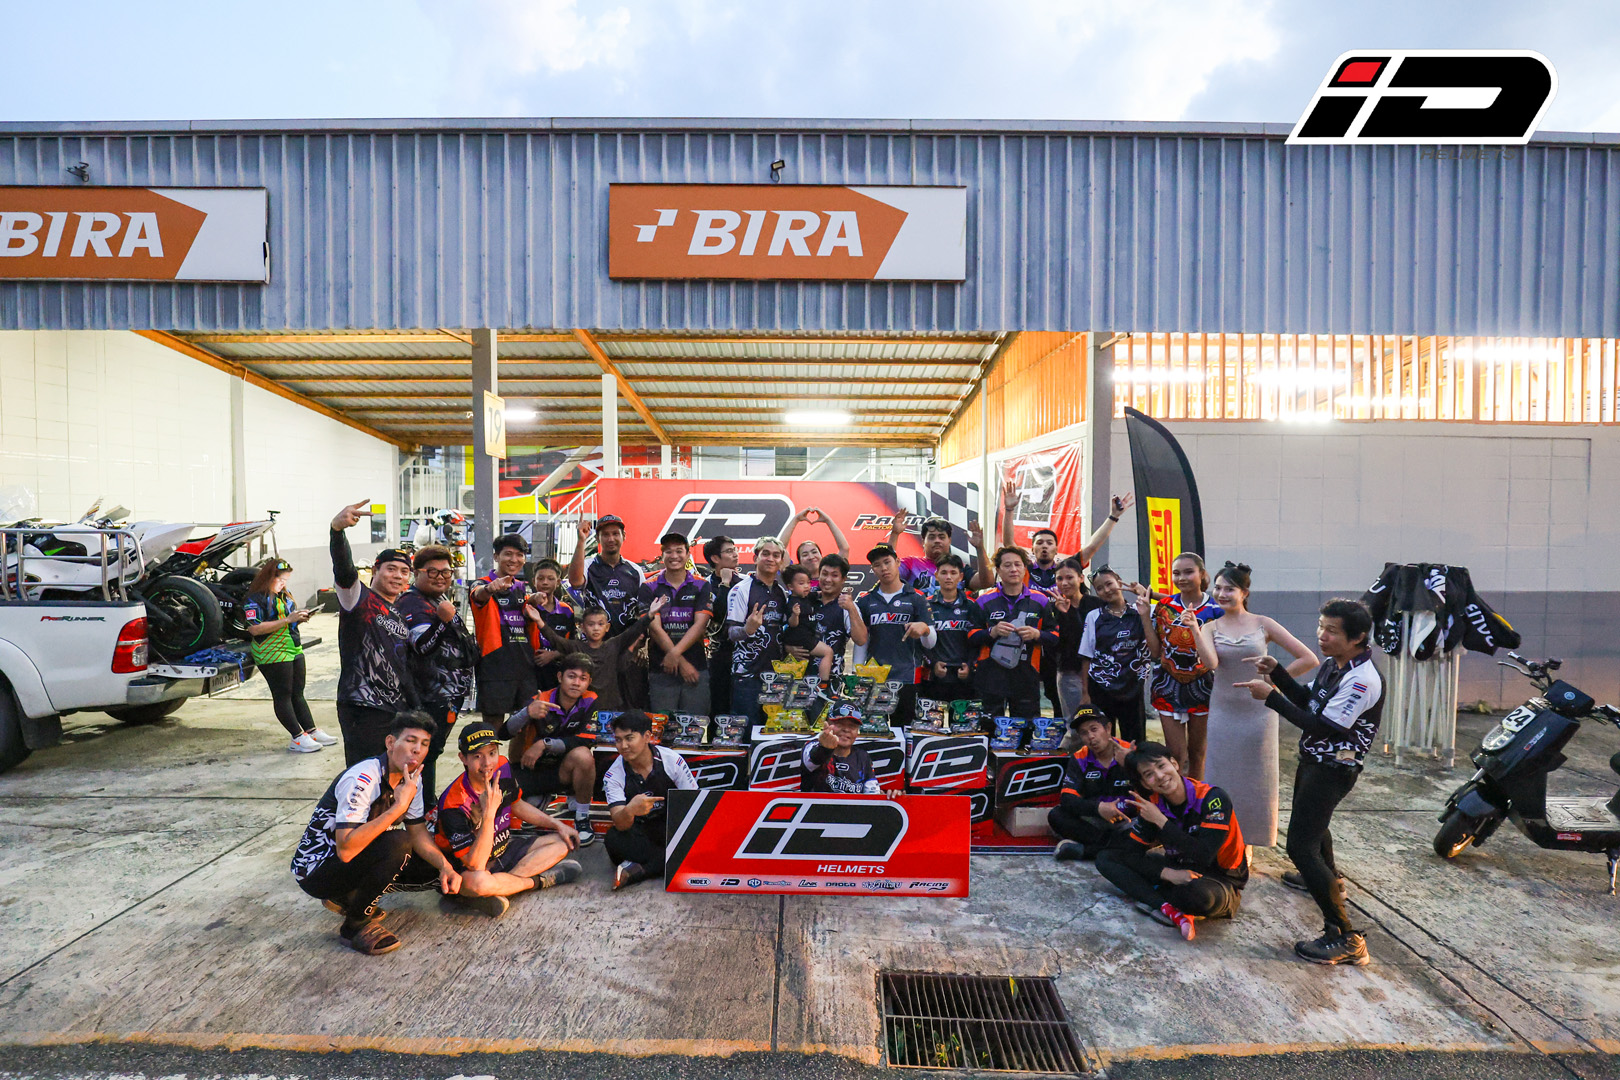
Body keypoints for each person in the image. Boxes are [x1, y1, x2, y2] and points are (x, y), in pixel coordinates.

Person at [1234, 598, 1384, 967]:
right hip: (1314, 762)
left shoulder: (1361, 680)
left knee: (1301, 847)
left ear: (1358, 637)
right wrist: (1278, 674)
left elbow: (1322, 727)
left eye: (1331, 631)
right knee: (1315, 827)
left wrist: (1271, 698)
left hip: (1333, 769)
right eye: (1321, 627)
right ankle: (1329, 880)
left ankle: (1345, 936)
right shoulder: (1336, 664)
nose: (1321, 635)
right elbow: (1309, 701)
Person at [291, 712, 460, 956]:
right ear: (390, 742)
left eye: (424, 744)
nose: (417, 750)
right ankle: (355, 925)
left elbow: (418, 833)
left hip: (354, 859)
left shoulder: (412, 779)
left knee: (436, 863)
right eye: (410, 741)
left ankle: (350, 896)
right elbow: (346, 850)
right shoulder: (363, 778)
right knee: (398, 843)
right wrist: (398, 808)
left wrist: (445, 867)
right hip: (317, 870)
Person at [1198, 561, 1318, 849]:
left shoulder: (1263, 623)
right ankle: (1222, 834)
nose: (1221, 594)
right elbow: (1210, 663)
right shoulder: (1209, 627)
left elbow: (1309, 658)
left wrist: (1274, 680)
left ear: (1245, 593)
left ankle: (1250, 840)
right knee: (1221, 774)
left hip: (1258, 714)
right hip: (1223, 711)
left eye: (1229, 589)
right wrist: (1193, 628)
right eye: (1217, 588)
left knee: (1255, 778)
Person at [1095, 741, 1247, 943]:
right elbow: (1131, 853)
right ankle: (1168, 908)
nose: (1159, 776)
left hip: (1219, 878)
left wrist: (1161, 821)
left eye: (1161, 766)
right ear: (1146, 784)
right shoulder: (1153, 804)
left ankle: (1156, 898)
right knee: (1106, 858)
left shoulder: (1213, 798)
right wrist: (1167, 873)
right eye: (1149, 774)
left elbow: (1204, 855)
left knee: (1199, 896)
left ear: (1174, 764)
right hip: (1178, 869)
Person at [430, 723, 581, 917]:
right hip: (467, 871)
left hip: (501, 852)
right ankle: (536, 882)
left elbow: (517, 804)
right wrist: (489, 813)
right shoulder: (453, 803)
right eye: (477, 756)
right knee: (479, 883)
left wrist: (558, 825)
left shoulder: (502, 766)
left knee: (564, 841)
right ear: (463, 758)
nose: (487, 763)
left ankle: (499, 888)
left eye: (492, 753)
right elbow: (475, 864)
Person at [329, 501, 419, 766]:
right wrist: (337, 532)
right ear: (375, 571)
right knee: (364, 773)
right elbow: (344, 569)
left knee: (390, 775)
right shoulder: (358, 599)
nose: (398, 576)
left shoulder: (399, 615)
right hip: (363, 706)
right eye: (391, 569)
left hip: (395, 709)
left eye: (404, 571)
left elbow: (402, 666)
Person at [396, 545, 478, 806]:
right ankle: (422, 807)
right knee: (424, 753)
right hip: (429, 696)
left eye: (446, 572)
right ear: (417, 573)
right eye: (433, 571)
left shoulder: (435, 599)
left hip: (447, 696)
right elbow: (421, 646)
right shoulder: (412, 602)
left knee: (430, 752)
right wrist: (442, 621)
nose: (441, 577)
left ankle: (424, 803)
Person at [1137, 552, 1223, 780]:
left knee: (1198, 753)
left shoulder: (1216, 609)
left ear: (1202, 574)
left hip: (1203, 685)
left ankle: (1195, 795)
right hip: (1167, 684)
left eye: (1188, 572)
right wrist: (1145, 616)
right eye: (1176, 573)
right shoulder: (1164, 606)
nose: (1182, 578)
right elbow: (1155, 652)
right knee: (1175, 755)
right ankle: (1175, 794)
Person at [505, 652, 602, 845]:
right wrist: (527, 713)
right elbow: (503, 733)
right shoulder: (540, 699)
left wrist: (545, 744)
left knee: (583, 755)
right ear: (560, 677)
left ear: (589, 682)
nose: (576, 683)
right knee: (504, 796)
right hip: (529, 769)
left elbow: (586, 740)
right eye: (571, 676)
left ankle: (582, 817)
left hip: (561, 773)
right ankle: (538, 797)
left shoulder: (591, 700)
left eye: (583, 679)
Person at [243, 557, 333, 753]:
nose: (283, 583)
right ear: (268, 577)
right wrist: (287, 620)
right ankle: (297, 737)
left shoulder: (284, 595)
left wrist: (299, 618)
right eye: (280, 579)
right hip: (271, 651)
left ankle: (310, 730)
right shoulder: (255, 599)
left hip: (293, 646)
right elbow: (255, 629)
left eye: (286, 580)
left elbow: (287, 620)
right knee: (282, 694)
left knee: (297, 692)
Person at [603, 709, 699, 890]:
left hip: (670, 828)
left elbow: (694, 805)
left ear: (647, 736)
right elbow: (620, 824)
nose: (623, 746)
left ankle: (640, 871)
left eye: (629, 738)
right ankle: (670, 862)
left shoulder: (673, 761)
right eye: (618, 740)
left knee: (695, 839)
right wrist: (630, 810)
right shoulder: (613, 774)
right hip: (640, 833)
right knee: (613, 839)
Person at [532, 598, 665, 712]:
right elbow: (555, 640)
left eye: (600, 624)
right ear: (583, 627)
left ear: (607, 627)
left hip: (611, 706)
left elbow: (633, 631)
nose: (596, 628)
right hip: (583, 707)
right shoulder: (575, 647)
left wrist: (650, 614)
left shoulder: (613, 644)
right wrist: (539, 621)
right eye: (591, 624)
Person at [854, 544, 936, 727]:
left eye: (887, 562)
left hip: (908, 677)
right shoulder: (866, 600)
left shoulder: (917, 598)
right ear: (873, 569)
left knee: (906, 731)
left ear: (898, 562)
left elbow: (931, 643)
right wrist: (857, 672)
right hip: (875, 679)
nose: (883, 568)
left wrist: (924, 629)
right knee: (875, 733)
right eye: (877, 565)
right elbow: (862, 641)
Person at [969, 546, 1056, 718]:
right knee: (988, 727)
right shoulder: (984, 600)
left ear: (1025, 568)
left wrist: (1037, 634)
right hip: (990, 676)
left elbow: (1055, 636)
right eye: (1007, 565)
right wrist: (992, 632)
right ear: (998, 570)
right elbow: (970, 636)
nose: (1013, 569)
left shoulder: (1040, 600)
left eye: (1018, 564)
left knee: (1026, 729)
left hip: (1026, 676)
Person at [637, 532, 714, 716]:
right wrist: (681, 662)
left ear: (687, 555)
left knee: (695, 727)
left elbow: (700, 626)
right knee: (662, 726)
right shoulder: (649, 587)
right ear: (662, 555)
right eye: (668, 551)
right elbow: (654, 628)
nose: (674, 556)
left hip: (696, 668)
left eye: (679, 551)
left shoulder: (701, 585)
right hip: (662, 669)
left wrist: (674, 655)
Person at [470, 534, 539, 732]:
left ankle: (517, 756)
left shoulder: (522, 587)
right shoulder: (481, 583)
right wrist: (490, 589)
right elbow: (478, 595)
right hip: (495, 667)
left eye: (519, 555)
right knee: (492, 726)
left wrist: (534, 602)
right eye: (508, 554)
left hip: (524, 666)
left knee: (524, 726)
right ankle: (491, 754)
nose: (514, 559)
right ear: (496, 556)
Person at [1049, 707, 1136, 861]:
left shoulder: (1131, 751)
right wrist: (1098, 808)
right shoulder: (1079, 758)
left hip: (1130, 819)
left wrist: (1131, 766)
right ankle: (1118, 848)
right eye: (1084, 733)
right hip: (1096, 822)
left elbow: (1154, 791)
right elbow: (1067, 799)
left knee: (1154, 824)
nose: (1091, 737)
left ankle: (1086, 851)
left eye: (1094, 729)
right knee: (1056, 815)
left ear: (1108, 728)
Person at [1077, 567, 1152, 744]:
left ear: (1119, 581)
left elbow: (1174, 605)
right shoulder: (1094, 617)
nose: (1106, 590)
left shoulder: (1141, 611)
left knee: (1135, 742)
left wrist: (1146, 593)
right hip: (1101, 688)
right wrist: (1085, 693)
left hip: (1133, 687)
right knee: (1103, 740)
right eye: (1099, 588)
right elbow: (1086, 656)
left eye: (1109, 584)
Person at [725, 536, 789, 723]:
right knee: (747, 732)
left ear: (781, 561)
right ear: (755, 558)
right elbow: (731, 633)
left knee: (772, 732)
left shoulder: (781, 592)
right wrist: (747, 629)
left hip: (776, 676)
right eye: (765, 554)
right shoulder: (741, 589)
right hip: (747, 676)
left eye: (776, 555)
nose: (771, 559)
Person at [919, 554, 986, 705]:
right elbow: (919, 642)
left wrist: (970, 665)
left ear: (960, 577)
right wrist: (933, 663)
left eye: (953, 573)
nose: (948, 577)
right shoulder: (925, 605)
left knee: (963, 719)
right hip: (935, 677)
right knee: (932, 719)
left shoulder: (972, 605)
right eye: (944, 573)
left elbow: (979, 639)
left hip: (965, 677)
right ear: (936, 576)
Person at [1049, 557, 1104, 721]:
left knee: (1100, 722)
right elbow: (1059, 643)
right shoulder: (1053, 609)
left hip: (1098, 673)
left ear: (1080, 578)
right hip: (1069, 673)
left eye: (1069, 577)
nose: (1064, 583)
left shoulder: (1096, 604)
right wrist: (1064, 614)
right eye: (1059, 579)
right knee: (1074, 722)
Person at [798, 552, 867, 681]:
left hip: (830, 682)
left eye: (834, 575)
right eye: (824, 574)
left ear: (843, 579)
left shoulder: (847, 606)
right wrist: (789, 647)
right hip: (798, 679)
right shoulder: (804, 598)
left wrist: (851, 609)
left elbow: (861, 640)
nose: (828, 579)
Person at [886, 509, 994, 592]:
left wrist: (980, 548)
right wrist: (894, 534)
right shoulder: (911, 563)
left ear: (949, 541)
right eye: (932, 537)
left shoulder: (959, 566)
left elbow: (987, 582)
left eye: (941, 537)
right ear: (923, 541)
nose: (937, 541)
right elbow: (888, 572)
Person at [567, 513, 643, 630]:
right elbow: (575, 582)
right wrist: (581, 541)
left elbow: (644, 607)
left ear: (624, 536)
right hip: (595, 639)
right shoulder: (587, 565)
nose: (611, 539)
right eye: (605, 535)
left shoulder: (635, 570)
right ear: (597, 538)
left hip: (627, 640)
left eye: (615, 534)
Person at [703, 535, 742, 716]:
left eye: (735, 550)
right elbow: (717, 616)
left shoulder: (744, 583)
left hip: (743, 654)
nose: (735, 554)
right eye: (729, 551)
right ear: (715, 558)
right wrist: (725, 584)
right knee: (719, 707)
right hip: (717, 655)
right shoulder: (704, 585)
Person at [801, 709, 883, 793]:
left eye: (852, 726)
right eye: (840, 724)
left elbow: (872, 793)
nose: (846, 730)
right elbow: (814, 758)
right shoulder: (812, 745)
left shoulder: (862, 757)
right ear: (827, 724)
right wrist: (825, 749)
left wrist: (887, 796)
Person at [526, 557, 576, 692]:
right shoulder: (527, 607)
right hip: (529, 672)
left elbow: (572, 644)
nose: (545, 582)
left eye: (550, 578)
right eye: (540, 578)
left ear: (558, 582)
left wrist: (553, 654)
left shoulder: (567, 610)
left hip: (557, 672)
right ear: (534, 581)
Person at [781, 563, 837, 680]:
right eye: (801, 583)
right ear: (790, 587)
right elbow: (792, 624)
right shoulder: (793, 603)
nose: (807, 586)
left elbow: (818, 594)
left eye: (808, 582)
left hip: (806, 637)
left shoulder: (807, 597)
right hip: (801, 638)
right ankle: (824, 682)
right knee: (828, 652)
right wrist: (795, 615)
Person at [777, 506, 851, 578]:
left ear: (821, 557)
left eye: (814, 552)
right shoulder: (793, 577)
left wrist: (828, 520)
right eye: (805, 555)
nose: (811, 557)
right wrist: (796, 519)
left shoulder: (830, 578)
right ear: (800, 562)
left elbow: (844, 549)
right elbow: (780, 549)